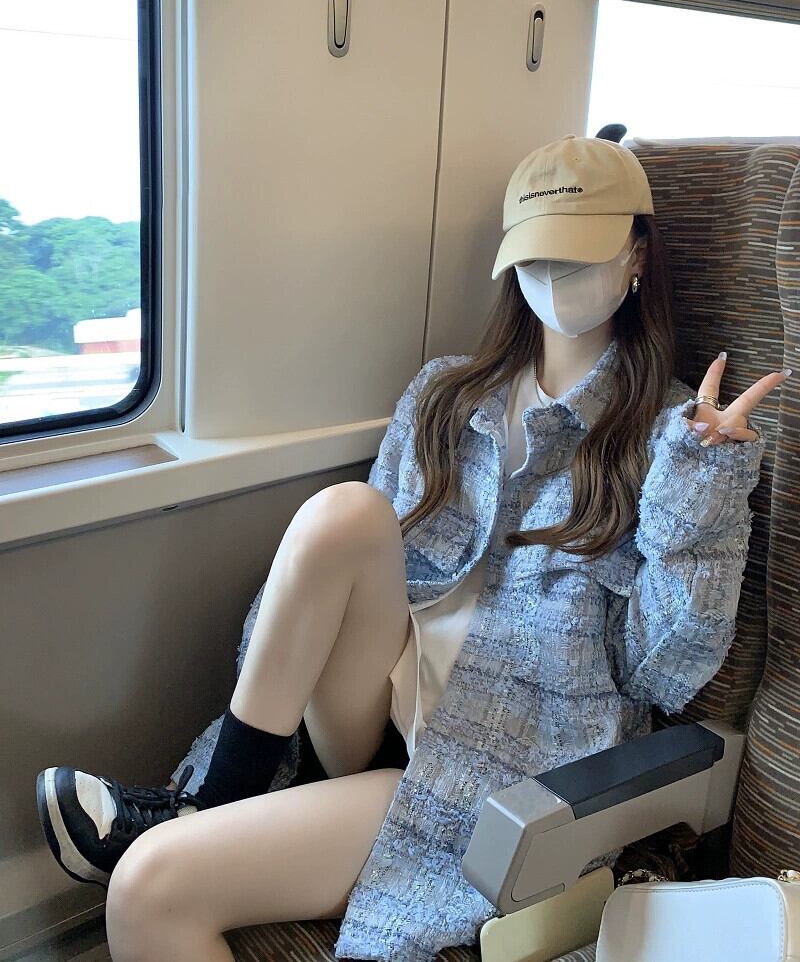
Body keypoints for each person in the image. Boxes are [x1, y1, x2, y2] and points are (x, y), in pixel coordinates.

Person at [35, 134, 784, 962]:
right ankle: (219, 795)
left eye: (579, 253)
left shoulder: (676, 439)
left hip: (491, 763)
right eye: (536, 256)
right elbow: (349, 587)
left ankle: (202, 813)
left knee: (147, 887)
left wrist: (703, 490)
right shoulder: (445, 393)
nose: (555, 276)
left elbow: (665, 673)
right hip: (369, 703)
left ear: (637, 254)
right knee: (345, 514)